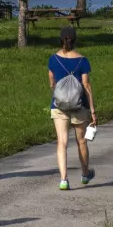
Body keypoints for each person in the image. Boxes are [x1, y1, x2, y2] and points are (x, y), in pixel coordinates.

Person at [48, 27, 97, 191]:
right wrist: (93, 110)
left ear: (60, 40)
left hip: (59, 105)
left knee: (62, 142)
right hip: (79, 105)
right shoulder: (83, 60)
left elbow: (52, 84)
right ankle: (85, 174)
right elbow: (86, 86)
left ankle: (64, 179)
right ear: (75, 40)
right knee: (81, 141)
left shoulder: (53, 59)